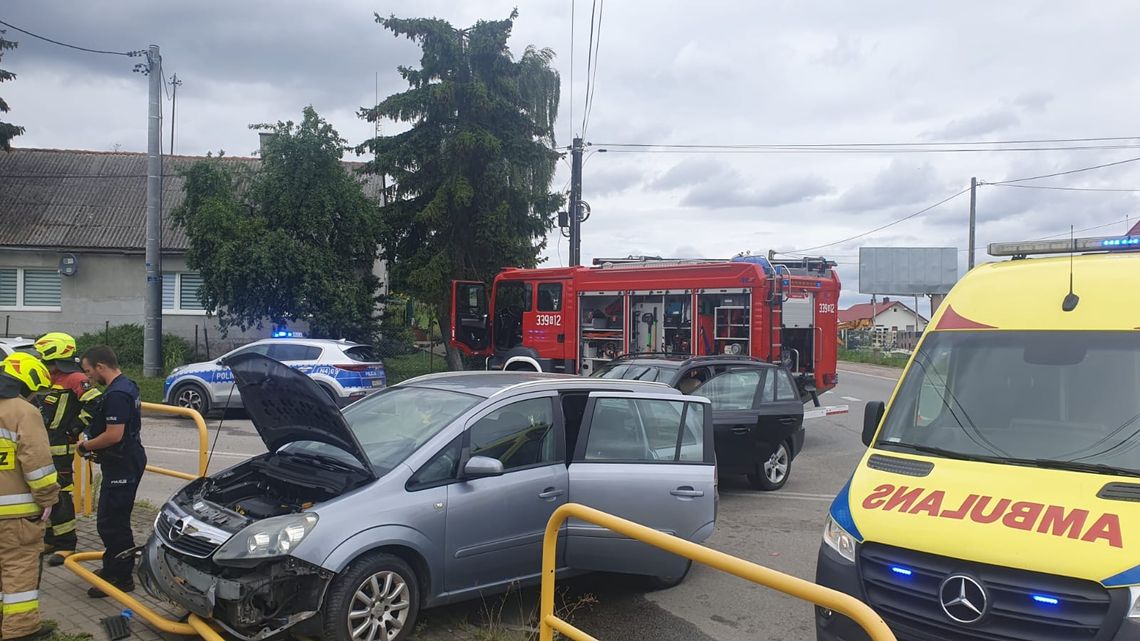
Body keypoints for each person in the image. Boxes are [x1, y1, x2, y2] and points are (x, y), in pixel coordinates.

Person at [78, 346, 145, 599]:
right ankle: (112, 568)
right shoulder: (128, 385)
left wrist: (85, 446)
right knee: (111, 520)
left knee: (113, 523)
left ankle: (121, 577)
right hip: (125, 461)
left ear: (100, 366)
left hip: (123, 464)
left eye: (88, 371)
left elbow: (113, 435)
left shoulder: (117, 394)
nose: (88, 377)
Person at [0, 353, 59, 641]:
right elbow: (38, 465)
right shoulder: (23, 412)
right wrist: (48, 499)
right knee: (19, 570)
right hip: (15, 516)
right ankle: (21, 632)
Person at [33, 332, 102, 567]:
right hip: (41, 444)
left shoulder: (74, 378)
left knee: (61, 493)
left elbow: (95, 403)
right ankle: (52, 539)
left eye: (45, 356)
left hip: (60, 446)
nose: (42, 360)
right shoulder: (47, 376)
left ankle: (67, 544)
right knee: (45, 493)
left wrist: (76, 427)